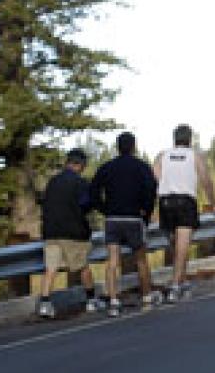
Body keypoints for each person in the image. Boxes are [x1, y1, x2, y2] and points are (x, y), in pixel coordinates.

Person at [90, 132, 158, 317]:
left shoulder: (107, 167)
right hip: (134, 218)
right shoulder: (141, 167)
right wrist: (146, 212)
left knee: (112, 261)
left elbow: (93, 191)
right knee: (141, 259)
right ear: (134, 146)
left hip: (113, 219)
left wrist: (105, 209)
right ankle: (146, 296)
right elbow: (151, 190)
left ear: (117, 147)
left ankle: (113, 300)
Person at [153, 124, 215, 303]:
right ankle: (175, 286)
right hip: (185, 202)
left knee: (175, 246)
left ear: (174, 139)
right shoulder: (194, 156)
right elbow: (206, 180)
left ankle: (180, 281)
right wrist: (213, 203)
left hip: (166, 202)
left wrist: (153, 208)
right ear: (190, 139)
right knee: (182, 247)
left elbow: (154, 179)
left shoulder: (162, 155)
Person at [37, 148, 99, 319]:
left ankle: (45, 303)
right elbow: (87, 204)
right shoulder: (80, 183)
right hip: (73, 233)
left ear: (68, 162)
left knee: (51, 268)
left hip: (51, 232)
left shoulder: (52, 182)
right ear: (81, 165)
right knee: (82, 267)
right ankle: (91, 300)